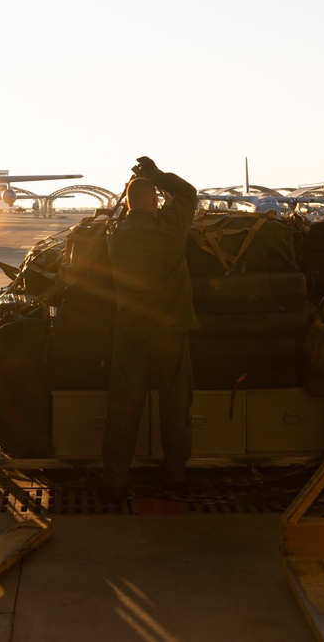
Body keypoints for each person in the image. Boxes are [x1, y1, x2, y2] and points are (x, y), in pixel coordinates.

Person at [101, 156, 199, 498]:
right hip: (171, 331)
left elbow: (116, 217)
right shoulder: (171, 229)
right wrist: (157, 175)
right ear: (155, 202)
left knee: (123, 406)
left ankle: (115, 479)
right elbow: (187, 192)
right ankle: (174, 475)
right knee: (175, 405)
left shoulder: (115, 236)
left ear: (128, 205)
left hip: (130, 332)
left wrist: (142, 189)